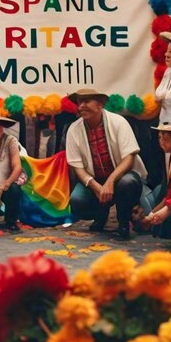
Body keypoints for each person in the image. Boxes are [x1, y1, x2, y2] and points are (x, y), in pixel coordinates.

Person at [65, 88, 146, 240]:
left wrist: (110, 182)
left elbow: (129, 157)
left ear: (100, 105)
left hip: (120, 176)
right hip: (95, 179)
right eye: (79, 102)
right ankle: (100, 215)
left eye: (86, 101)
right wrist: (97, 187)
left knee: (127, 183)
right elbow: (78, 169)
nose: (81, 106)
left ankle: (123, 222)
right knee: (77, 201)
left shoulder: (119, 122)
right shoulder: (73, 130)